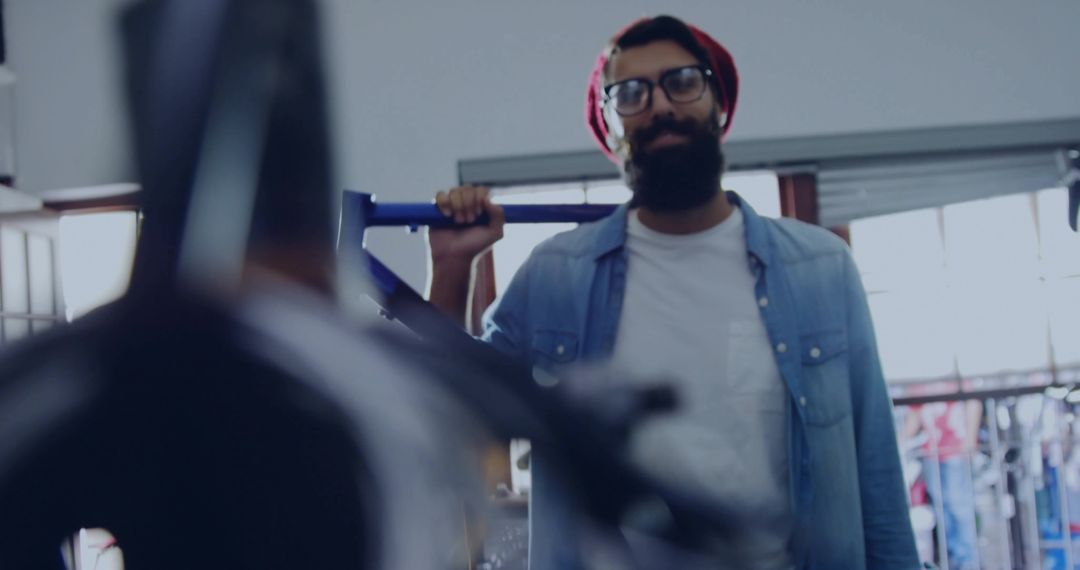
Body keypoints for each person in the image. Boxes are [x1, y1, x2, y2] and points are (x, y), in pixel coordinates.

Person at [428, 14, 918, 569]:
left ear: (720, 106)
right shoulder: (556, 275)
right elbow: (447, 414)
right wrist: (452, 269)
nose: (660, 106)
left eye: (682, 82)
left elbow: (875, 472)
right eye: (631, 95)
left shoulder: (821, 269)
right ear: (610, 132)